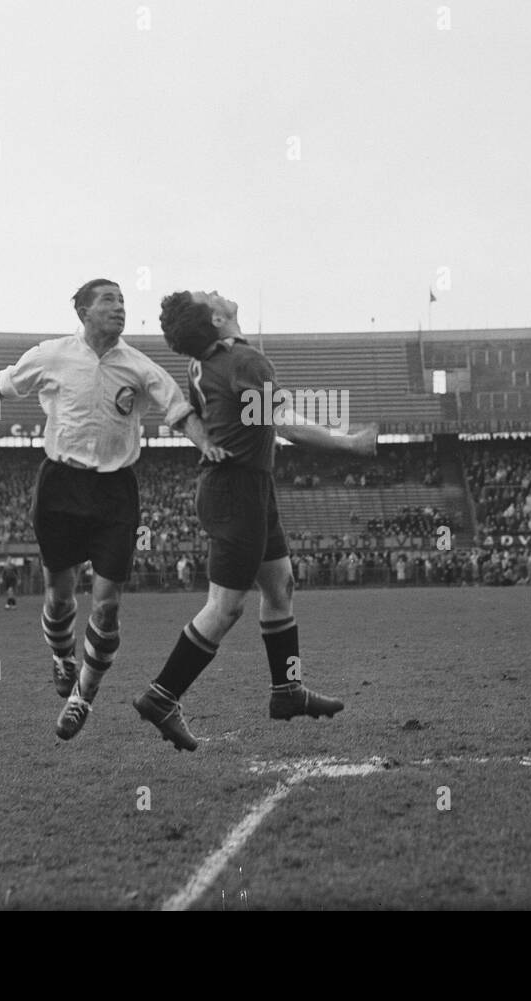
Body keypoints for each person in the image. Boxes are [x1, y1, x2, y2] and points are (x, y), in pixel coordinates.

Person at [0, 279, 227, 741]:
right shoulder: (52, 355)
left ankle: (82, 698)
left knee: (108, 603)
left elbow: (178, 409)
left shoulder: (138, 365)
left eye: (122, 301)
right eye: (108, 301)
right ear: (82, 311)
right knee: (59, 595)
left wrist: (207, 446)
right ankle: (61, 656)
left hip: (116, 492)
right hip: (60, 486)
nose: (119, 308)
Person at [133, 289, 377, 751]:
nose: (217, 292)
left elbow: (211, 417)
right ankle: (161, 696)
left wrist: (208, 442)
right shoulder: (245, 361)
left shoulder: (202, 363)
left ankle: (287, 691)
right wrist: (349, 444)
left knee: (279, 584)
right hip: (236, 492)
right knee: (225, 607)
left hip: (246, 487)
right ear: (218, 317)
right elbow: (282, 424)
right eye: (211, 295)